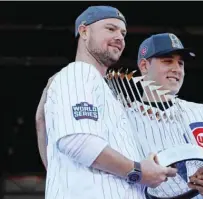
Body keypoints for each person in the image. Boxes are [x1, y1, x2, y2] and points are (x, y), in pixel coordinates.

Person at [35, 6, 177, 199]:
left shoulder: (106, 92)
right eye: (110, 29)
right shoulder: (80, 73)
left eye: (123, 33)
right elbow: (78, 141)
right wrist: (138, 171)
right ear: (84, 32)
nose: (120, 37)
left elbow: (57, 149)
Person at [124, 32, 203, 199]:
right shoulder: (122, 116)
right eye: (167, 61)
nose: (176, 69)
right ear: (144, 66)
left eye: (181, 63)